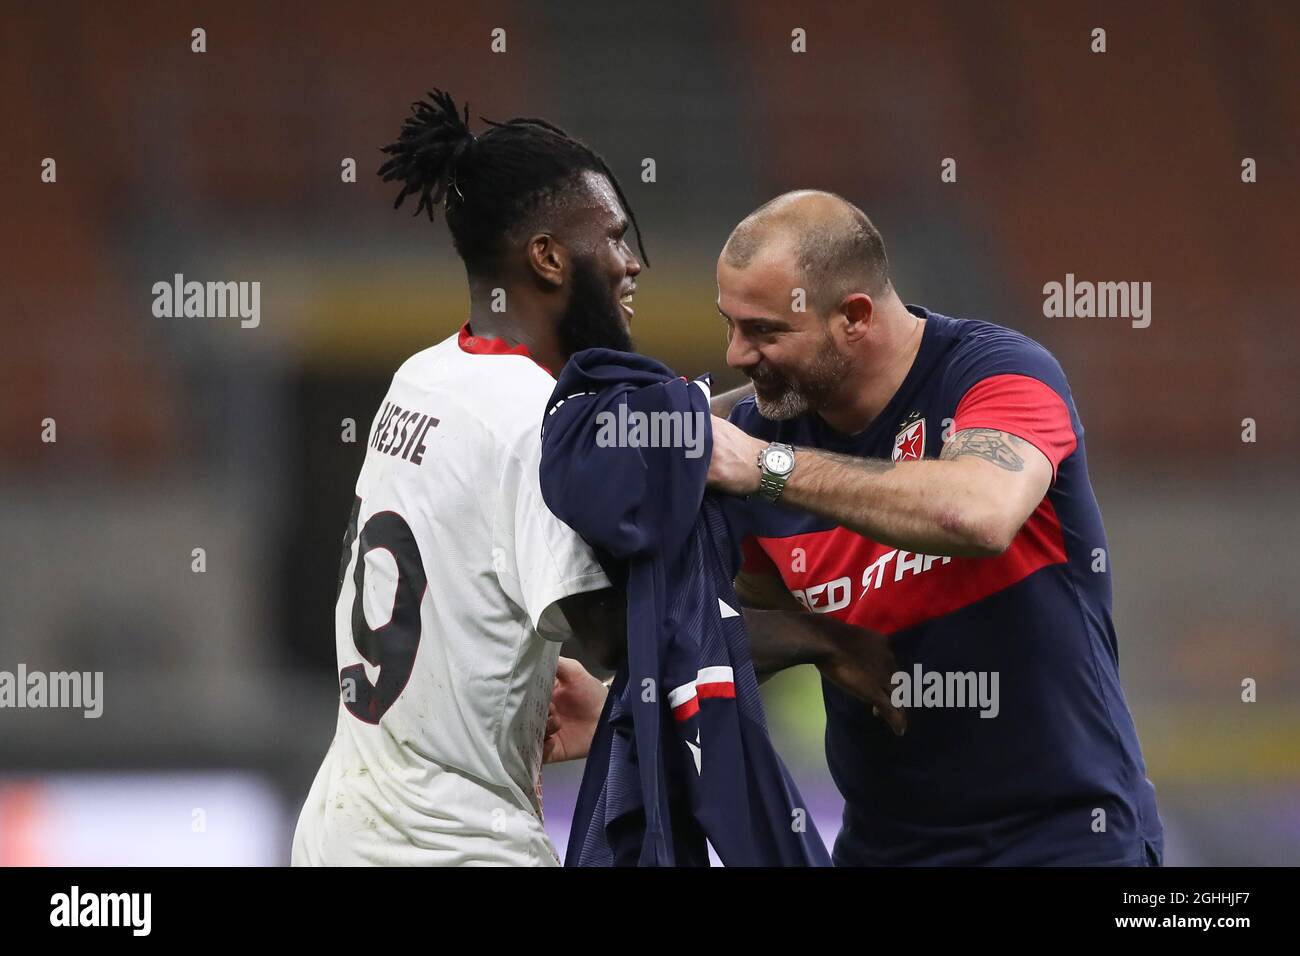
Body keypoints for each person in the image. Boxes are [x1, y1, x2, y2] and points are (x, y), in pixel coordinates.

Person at [293, 94, 898, 867]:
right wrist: (822, 639)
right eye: (613, 237)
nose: (631, 262)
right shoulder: (534, 420)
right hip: (448, 843)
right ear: (548, 257)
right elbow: (635, 636)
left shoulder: (423, 378)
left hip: (343, 826)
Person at [703, 190, 1165, 866]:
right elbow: (726, 623)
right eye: (732, 325)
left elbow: (977, 512)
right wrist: (813, 637)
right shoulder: (757, 434)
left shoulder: (998, 373)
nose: (738, 353)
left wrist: (766, 467)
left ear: (854, 317)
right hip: (883, 852)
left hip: (1066, 842)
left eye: (765, 332)